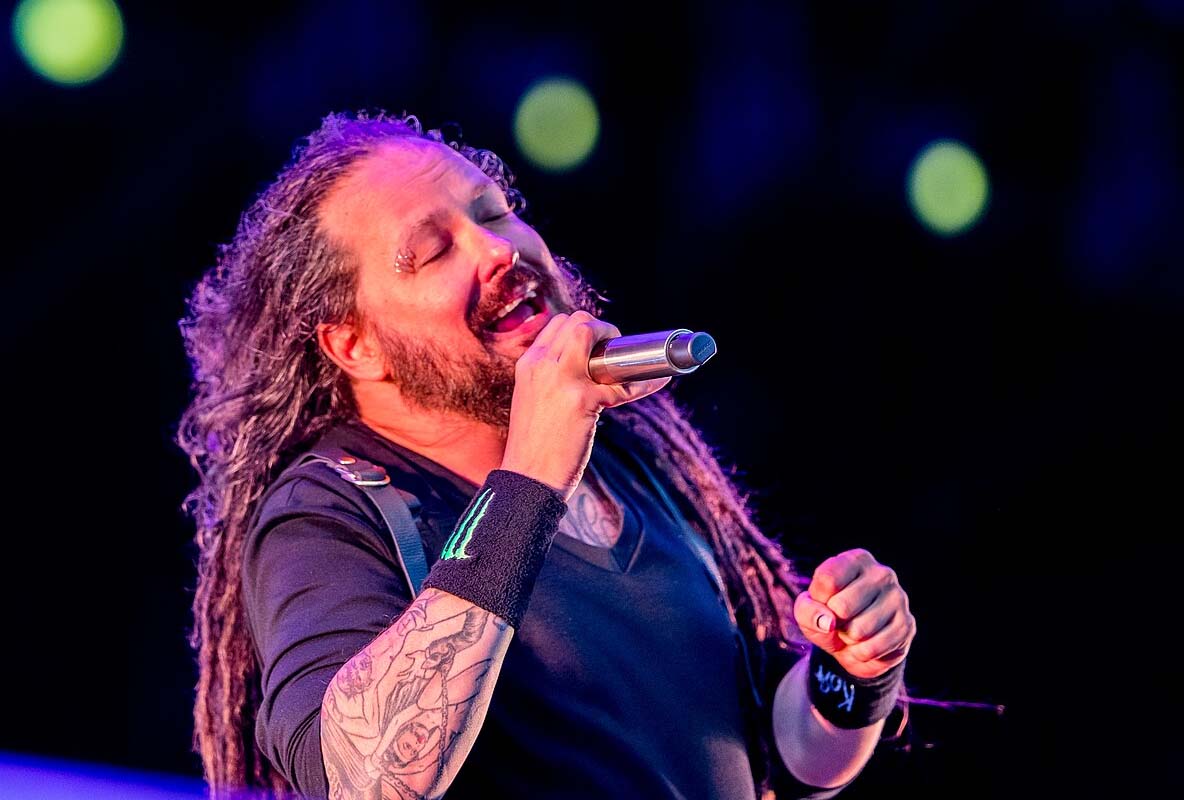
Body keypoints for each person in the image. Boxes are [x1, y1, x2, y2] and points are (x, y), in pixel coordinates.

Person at [177, 111, 916, 800]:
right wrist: (531, 475)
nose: (498, 249)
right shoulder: (330, 511)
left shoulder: (629, 463)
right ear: (355, 345)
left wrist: (849, 676)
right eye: (434, 251)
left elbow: (774, 754)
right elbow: (363, 779)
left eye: (494, 212)